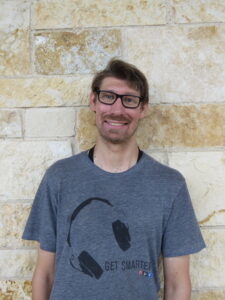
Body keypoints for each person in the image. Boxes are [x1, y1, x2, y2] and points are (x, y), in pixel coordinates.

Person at [22, 59, 205, 300]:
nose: (117, 110)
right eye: (108, 96)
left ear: (143, 109)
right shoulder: (59, 177)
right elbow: (44, 274)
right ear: (93, 102)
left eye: (129, 100)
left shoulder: (170, 185)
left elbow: (177, 284)